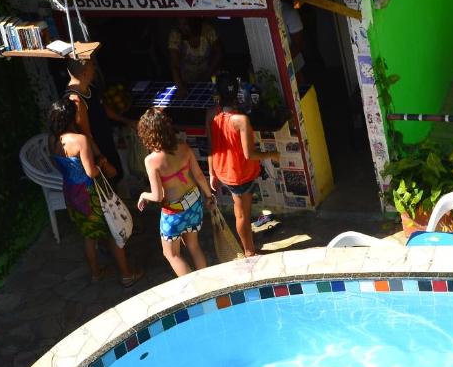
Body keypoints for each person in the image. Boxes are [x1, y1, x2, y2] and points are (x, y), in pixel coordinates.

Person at [48, 98, 143, 287]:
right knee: (112, 230)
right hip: (90, 193)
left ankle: (96, 274)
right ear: (71, 117)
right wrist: (102, 165)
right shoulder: (80, 140)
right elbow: (90, 171)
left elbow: (55, 164)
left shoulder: (51, 140)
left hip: (71, 192)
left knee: (88, 236)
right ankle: (126, 275)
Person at [136, 108, 215, 277]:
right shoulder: (183, 147)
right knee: (194, 246)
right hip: (194, 203)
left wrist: (144, 195)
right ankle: (208, 285)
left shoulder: (151, 161)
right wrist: (209, 196)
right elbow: (200, 176)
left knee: (171, 254)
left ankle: (195, 292)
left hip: (174, 212)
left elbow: (157, 196)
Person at [208, 72, 281, 257]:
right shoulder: (241, 120)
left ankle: (248, 243)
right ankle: (249, 251)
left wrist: (212, 174)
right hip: (239, 174)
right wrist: (272, 154)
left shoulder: (210, 114)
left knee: (241, 211)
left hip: (222, 170)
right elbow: (250, 154)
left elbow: (210, 146)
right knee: (242, 214)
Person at [65, 58, 124, 182]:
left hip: (107, 141)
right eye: (92, 66)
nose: (95, 69)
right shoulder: (75, 100)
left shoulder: (90, 88)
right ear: (84, 72)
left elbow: (102, 109)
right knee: (110, 188)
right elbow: (85, 134)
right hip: (98, 151)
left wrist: (126, 121)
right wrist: (103, 161)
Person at [168, 18, 223, 98]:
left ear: (194, 23)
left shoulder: (207, 30)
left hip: (209, 73)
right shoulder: (175, 35)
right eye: (179, 25)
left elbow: (219, 52)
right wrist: (180, 86)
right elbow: (174, 64)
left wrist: (208, 74)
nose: (182, 28)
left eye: (185, 25)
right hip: (187, 79)